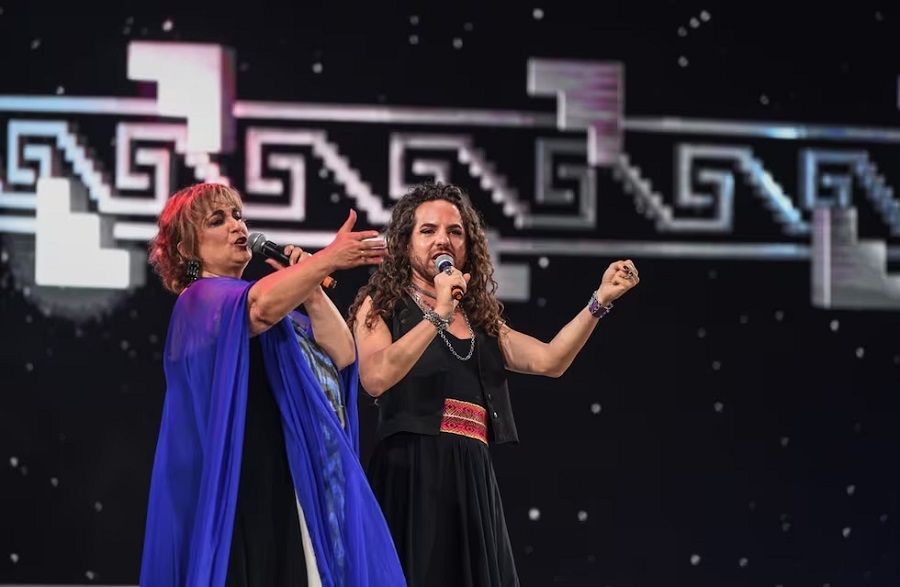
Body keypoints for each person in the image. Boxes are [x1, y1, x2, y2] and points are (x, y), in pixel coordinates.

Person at [347, 181, 640, 587]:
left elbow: (550, 360)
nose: (442, 240)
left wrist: (600, 300)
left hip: (471, 475)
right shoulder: (381, 305)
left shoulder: (480, 319)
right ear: (405, 242)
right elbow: (376, 377)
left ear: (468, 245)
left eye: (454, 231)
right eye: (428, 230)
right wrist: (438, 315)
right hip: (412, 472)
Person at [139, 182, 407, 587]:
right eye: (217, 220)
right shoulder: (198, 301)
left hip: (276, 479)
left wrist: (312, 290)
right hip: (230, 484)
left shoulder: (269, 316)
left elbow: (341, 354)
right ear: (186, 249)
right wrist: (327, 259)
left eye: (238, 216)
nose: (237, 226)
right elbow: (259, 307)